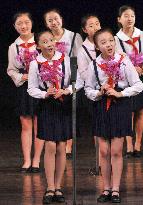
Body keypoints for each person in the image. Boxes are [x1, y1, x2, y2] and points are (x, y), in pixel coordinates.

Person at [85, 28, 143, 203]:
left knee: (116, 151)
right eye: (103, 42)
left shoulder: (124, 60)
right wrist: (98, 92)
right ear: (97, 46)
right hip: (101, 106)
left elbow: (138, 85)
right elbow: (88, 89)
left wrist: (121, 93)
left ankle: (116, 189)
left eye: (110, 40)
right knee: (104, 151)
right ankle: (106, 188)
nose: (108, 44)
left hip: (119, 105)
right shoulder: (94, 64)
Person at [28, 30, 72, 204]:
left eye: (52, 40)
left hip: (63, 104)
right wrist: (45, 93)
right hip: (47, 105)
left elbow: (76, 83)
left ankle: (58, 187)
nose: (49, 44)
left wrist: (65, 90)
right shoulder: (35, 63)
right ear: (38, 45)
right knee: (50, 146)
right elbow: (31, 89)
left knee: (61, 146)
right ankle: (50, 187)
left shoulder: (65, 59)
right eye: (45, 41)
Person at [115, 5, 143, 158]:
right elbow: (115, 61)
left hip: (141, 78)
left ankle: (137, 145)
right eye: (126, 16)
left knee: (140, 110)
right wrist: (128, 69)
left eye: (132, 16)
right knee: (128, 112)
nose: (129, 19)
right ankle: (128, 146)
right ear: (119, 19)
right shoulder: (116, 39)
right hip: (125, 80)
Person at [7, 11, 44, 173]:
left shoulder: (41, 40)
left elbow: (52, 59)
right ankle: (27, 160)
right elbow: (11, 70)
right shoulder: (13, 47)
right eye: (19, 23)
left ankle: (36, 161)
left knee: (39, 123)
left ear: (31, 23)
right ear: (14, 27)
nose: (23, 26)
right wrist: (23, 76)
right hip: (24, 87)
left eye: (26, 22)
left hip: (41, 86)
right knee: (25, 124)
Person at [43, 8, 83, 159]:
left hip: (70, 76)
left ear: (61, 19)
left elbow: (80, 58)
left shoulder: (73, 36)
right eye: (50, 20)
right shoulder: (46, 37)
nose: (54, 22)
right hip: (52, 78)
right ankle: (57, 141)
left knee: (70, 111)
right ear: (46, 24)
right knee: (56, 111)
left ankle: (68, 147)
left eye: (56, 19)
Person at [76, 14, 101, 174]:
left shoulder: (109, 41)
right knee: (99, 128)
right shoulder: (83, 49)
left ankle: (112, 161)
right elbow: (83, 73)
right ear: (85, 30)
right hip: (94, 93)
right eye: (91, 25)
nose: (96, 27)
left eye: (97, 24)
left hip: (113, 90)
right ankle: (100, 163)